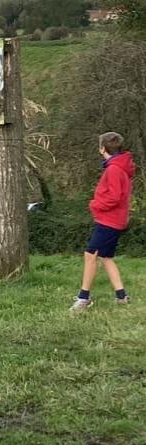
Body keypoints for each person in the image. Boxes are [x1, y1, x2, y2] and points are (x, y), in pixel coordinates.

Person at [70, 132, 135, 313]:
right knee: (106, 257)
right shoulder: (120, 166)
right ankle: (122, 296)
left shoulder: (114, 169)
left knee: (91, 254)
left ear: (102, 149)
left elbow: (114, 197)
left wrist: (95, 204)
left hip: (110, 220)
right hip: (115, 219)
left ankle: (84, 298)